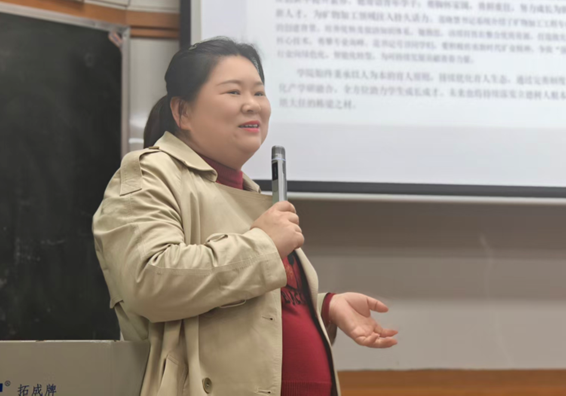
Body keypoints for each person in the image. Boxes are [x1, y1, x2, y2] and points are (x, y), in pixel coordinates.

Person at [92, 37, 398, 396]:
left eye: (259, 92)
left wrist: (324, 307)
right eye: (233, 92)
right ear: (183, 112)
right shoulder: (149, 173)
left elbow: (240, 307)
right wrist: (264, 244)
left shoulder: (250, 192)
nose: (252, 104)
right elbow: (150, 282)